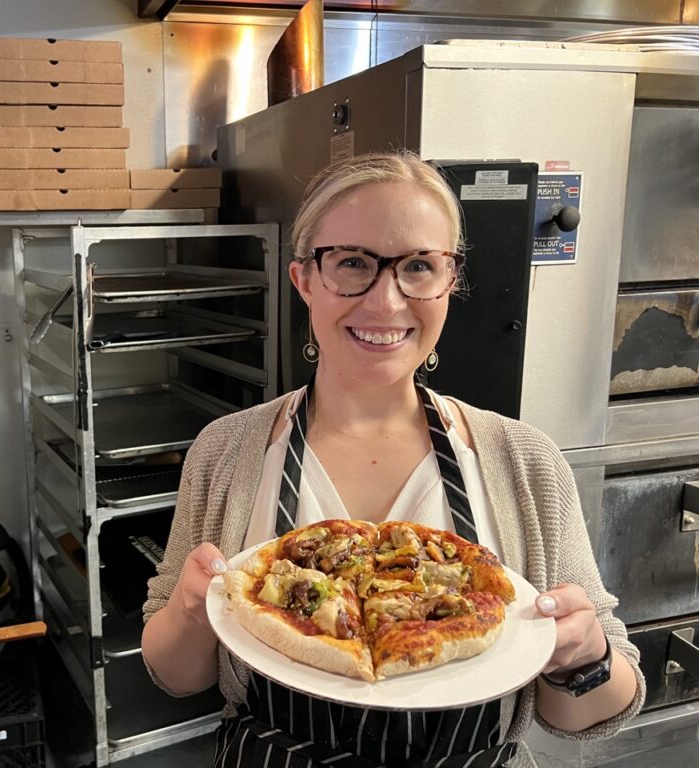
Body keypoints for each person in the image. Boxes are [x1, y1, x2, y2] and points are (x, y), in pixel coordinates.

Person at [141, 151, 644, 767]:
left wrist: (585, 656)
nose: (386, 301)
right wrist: (193, 609)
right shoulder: (226, 451)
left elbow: (587, 714)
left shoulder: (526, 462)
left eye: (419, 266)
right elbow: (177, 675)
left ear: (450, 282)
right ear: (303, 279)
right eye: (352, 263)